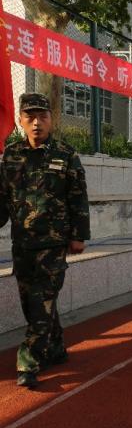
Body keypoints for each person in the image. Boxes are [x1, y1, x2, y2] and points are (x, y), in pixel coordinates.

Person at [0, 93, 90, 389]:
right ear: (21, 120)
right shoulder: (11, 155)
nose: (36, 122)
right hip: (22, 244)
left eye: (42, 116)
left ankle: (28, 361)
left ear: (51, 119)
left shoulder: (66, 154)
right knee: (32, 302)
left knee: (42, 303)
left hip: (53, 243)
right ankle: (56, 346)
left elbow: (78, 197)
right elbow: (3, 198)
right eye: (30, 117)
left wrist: (78, 235)